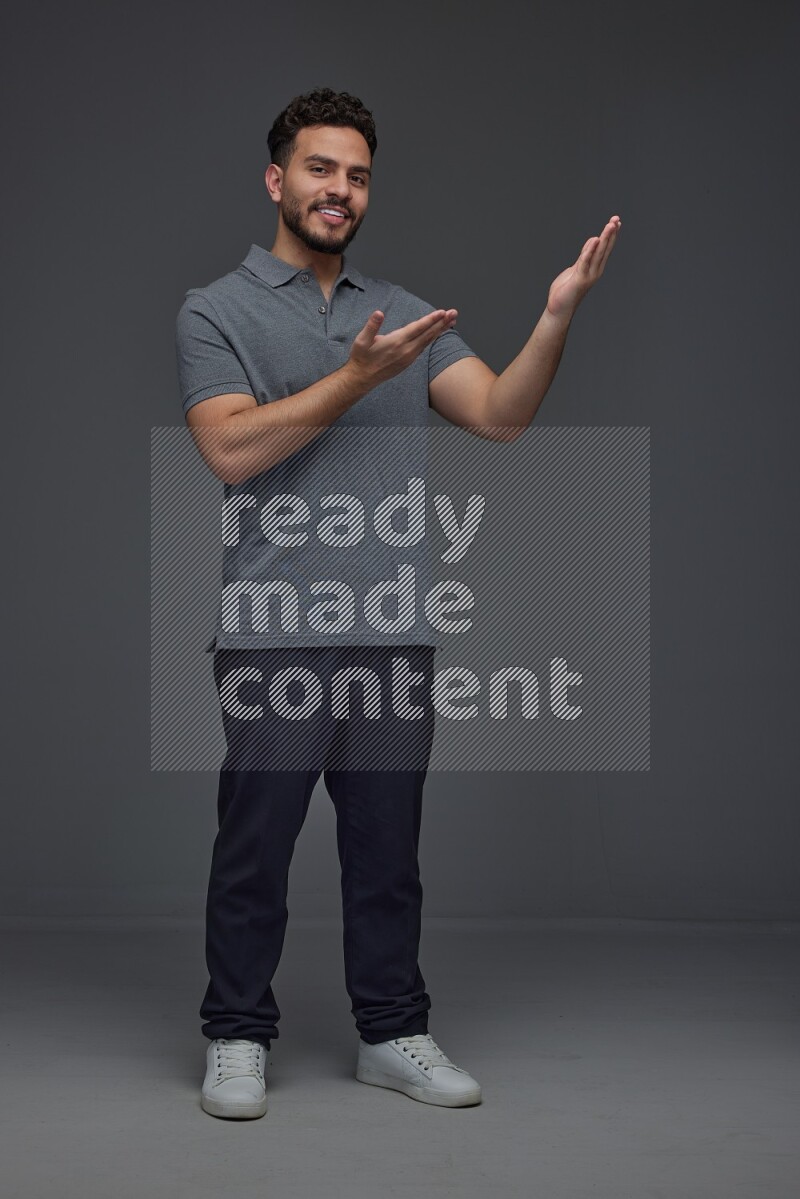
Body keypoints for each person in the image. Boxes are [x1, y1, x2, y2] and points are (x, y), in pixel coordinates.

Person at [174, 86, 620, 1120]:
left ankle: (391, 1029)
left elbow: (501, 417)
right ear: (277, 179)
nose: (340, 190)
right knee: (256, 847)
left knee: (386, 855)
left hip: (394, 636)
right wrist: (354, 375)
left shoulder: (404, 309)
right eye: (321, 169)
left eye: (358, 174)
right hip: (273, 634)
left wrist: (555, 315)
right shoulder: (215, 309)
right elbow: (230, 448)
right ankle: (236, 1033)